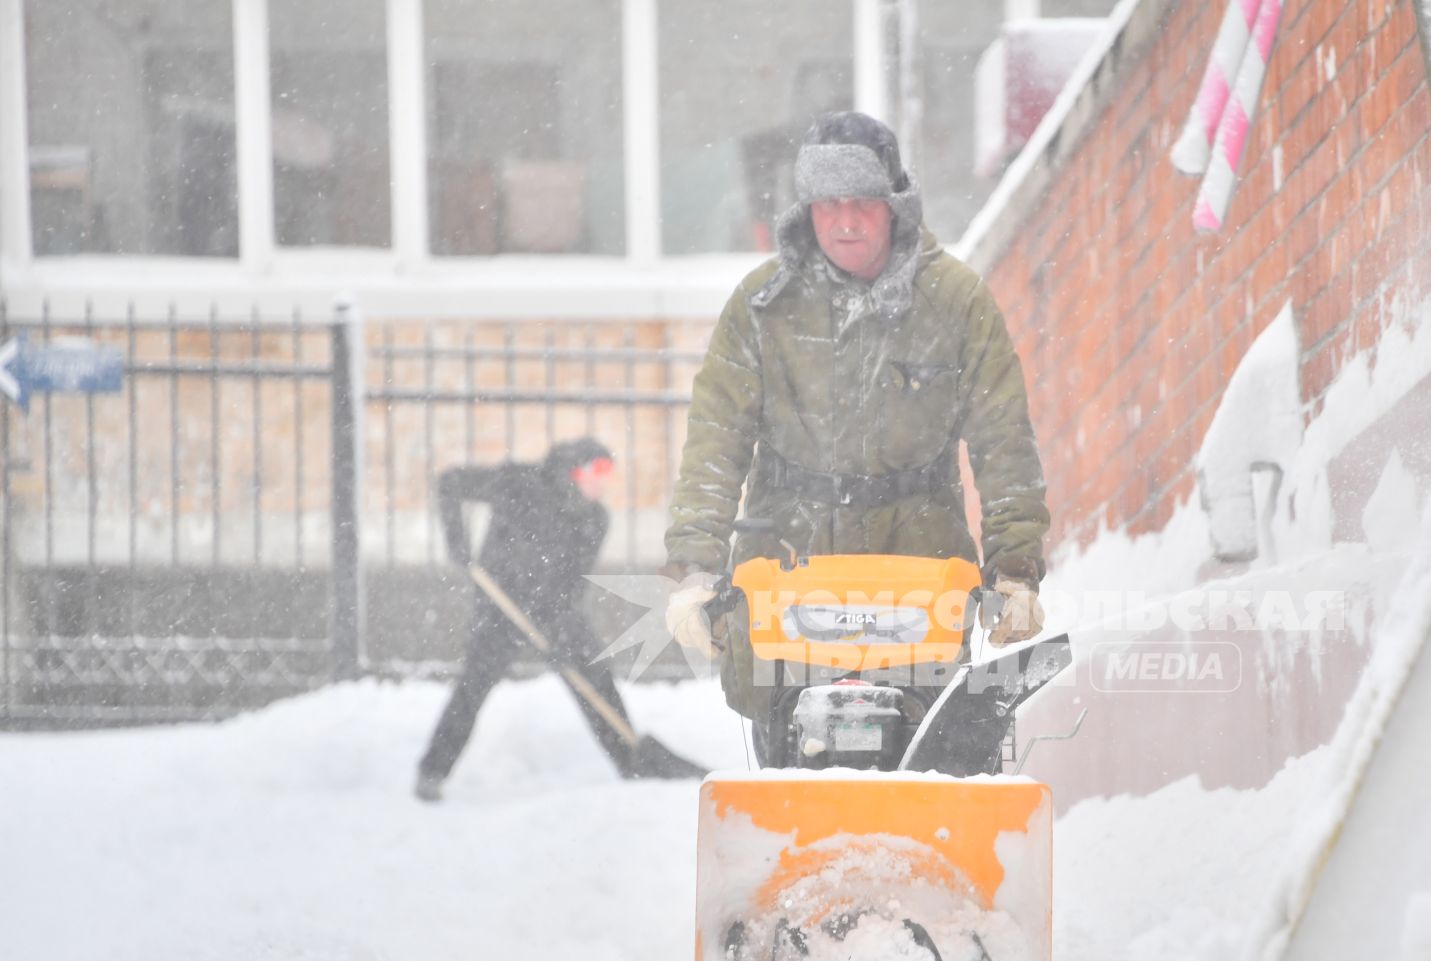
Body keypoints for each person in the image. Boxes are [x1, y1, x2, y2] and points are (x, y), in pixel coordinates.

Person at [661, 111, 1051, 724]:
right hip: (789, 555)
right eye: (828, 203)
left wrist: (1015, 569)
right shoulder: (763, 307)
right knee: (790, 740)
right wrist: (694, 568)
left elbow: (1003, 439)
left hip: (918, 559)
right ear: (806, 209)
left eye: (863, 202)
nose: (845, 221)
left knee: (920, 740)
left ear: (895, 205)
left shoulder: (954, 301)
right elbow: (716, 438)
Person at [415, 437, 701, 801]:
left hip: (554, 612)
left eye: (608, 473)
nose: (603, 481)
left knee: (594, 680)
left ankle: (631, 759)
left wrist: (558, 635)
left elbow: (571, 586)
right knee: (473, 686)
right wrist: (458, 543)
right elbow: (451, 483)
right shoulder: (520, 484)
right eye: (597, 472)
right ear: (573, 470)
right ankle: (431, 772)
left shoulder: (594, 519)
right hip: (501, 606)